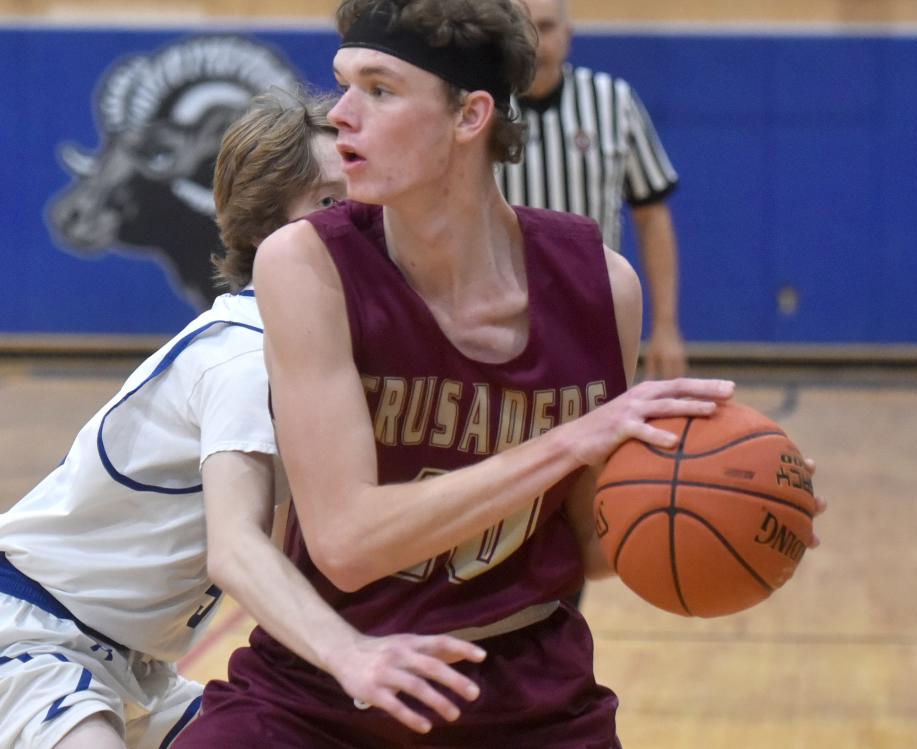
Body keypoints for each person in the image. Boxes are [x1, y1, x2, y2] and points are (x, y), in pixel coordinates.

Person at [170, 2, 759, 747]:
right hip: (323, 688)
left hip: (526, 691)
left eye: (380, 90)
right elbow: (347, 543)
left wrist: (738, 494)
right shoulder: (306, 263)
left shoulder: (602, 287)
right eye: (344, 84)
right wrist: (574, 439)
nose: (342, 115)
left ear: (470, 114)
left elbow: (588, 543)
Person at [0, 89, 485, 749]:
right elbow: (237, 550)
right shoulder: (243, 355)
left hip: (139, 666)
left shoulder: (324, 351)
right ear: (269, 228)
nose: (361, 220)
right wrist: (348, 653)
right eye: (329, 202)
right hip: (35, 631)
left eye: (364, 199)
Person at [498, 0, 687, 381]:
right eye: (523, 29)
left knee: (600, 433)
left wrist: (665, 326)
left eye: (547, 27)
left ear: (568, 35)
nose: (535, 43)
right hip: (500, 317)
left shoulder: (613, 101)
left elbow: (651, 215)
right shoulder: (479, 107)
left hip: (594, 314)